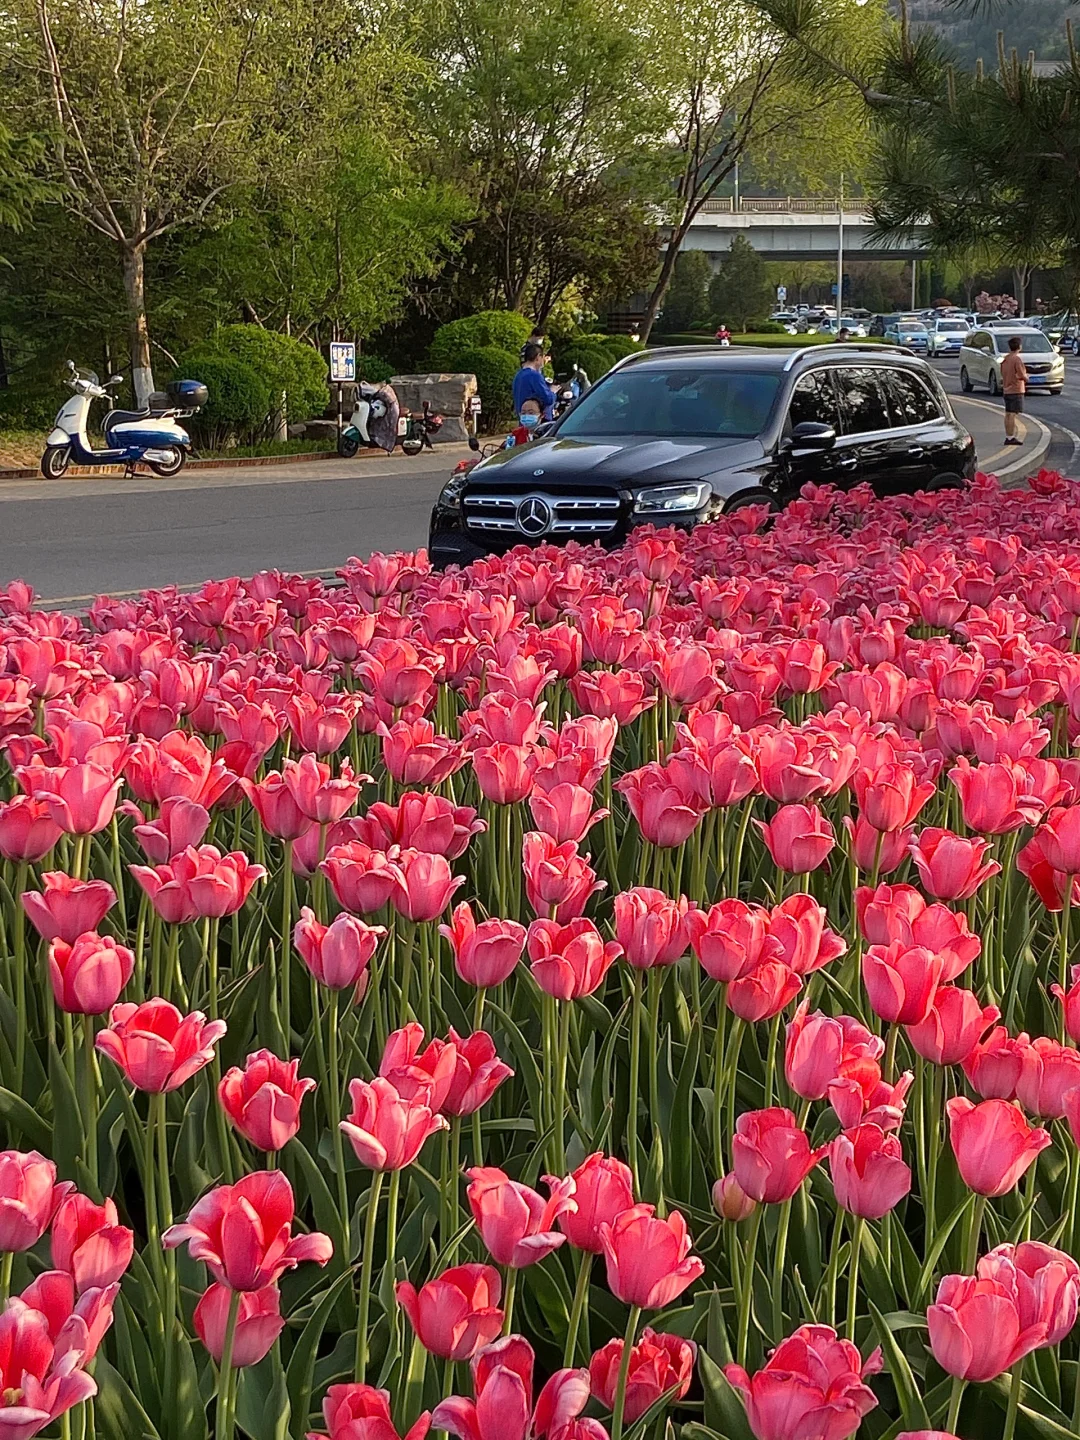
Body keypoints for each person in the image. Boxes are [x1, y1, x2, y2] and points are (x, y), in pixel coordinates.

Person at [513, 342, 557, 421]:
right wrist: (552, 391)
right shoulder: (535, 376)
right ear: (538, 357)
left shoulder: (518, 375)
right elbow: (548, 399)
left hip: (523, 419)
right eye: (543, 357)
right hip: (537, 421)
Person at [1001, 335, 1028, 446]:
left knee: (1008, 414)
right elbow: (1021, 374)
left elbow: (1002, 372)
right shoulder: (1016, 359)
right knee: (1012, 414)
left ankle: (1008, 435)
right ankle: (1011, 437)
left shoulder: (1006, 358)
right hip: (1016, 389)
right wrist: (1026, 378)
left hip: (1007, 389)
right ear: (1019, 346)